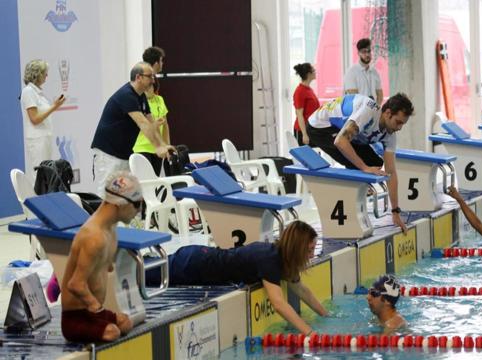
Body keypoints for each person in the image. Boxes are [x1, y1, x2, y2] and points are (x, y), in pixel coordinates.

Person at [146, 220, 328, 335]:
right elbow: (279, 304)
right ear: (296, 248)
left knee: (145, 271)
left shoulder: (282, 258)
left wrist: (325, 315)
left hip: (200, 262)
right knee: (140, 275)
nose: (312, 255)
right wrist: (309, 333)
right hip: (193, 264)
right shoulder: (270, 259)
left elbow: (302, 290)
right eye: (309, 250)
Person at [307, 93, 414, 233]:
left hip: (343, 131)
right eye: (398, 122)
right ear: (388, 113)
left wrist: (395, 211)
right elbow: (340, 141)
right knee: (360, 164)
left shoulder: (390, 135)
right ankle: (347, 212)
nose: (399, 128)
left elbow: (391, 172)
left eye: (403, 124)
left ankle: (355, 204)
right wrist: (364, 168)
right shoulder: (368, 112)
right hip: (321, 128)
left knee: (375, 162)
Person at [60, 171, 143, 342]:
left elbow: (103, 269)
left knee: (126, 323)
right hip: (76, 316)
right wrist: (97, 308)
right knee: (112, 332)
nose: (139, 211)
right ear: (119, 205)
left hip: (93, 313)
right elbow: (75, 284)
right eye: (137, 204)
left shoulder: (110, 232)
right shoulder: (94, 237)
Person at [90, 62, 173, 197]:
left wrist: (163, 145)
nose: (153, 79)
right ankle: (101, 218)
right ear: (138, 77)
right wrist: (157, 148)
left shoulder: (141, 96)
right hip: (108, 152)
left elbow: (150, 123)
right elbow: (143, 124)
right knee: (107, 192)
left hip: (123, 152)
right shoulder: (127, 95)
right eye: (150, 76)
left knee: (123, 194)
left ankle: (122, 219)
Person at [20, 59, 67, 180]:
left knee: (46, 174)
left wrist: (54, 106)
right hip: (37, 141)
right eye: (44, 72)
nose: (47, 75)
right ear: (37, 74)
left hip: (44, 139)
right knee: (39, 175)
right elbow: (34, 118)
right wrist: (54, 106)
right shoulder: (28, 92)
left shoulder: (37, 93)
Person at [132, 81, 170, 175]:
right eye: (144, 87)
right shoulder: (138, 102)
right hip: (140, 148)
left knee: (155, 181)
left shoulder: (160, 100)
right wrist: (154, 125)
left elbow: (165, 125)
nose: (146, 89)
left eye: (149, 86)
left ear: (154, 87)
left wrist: (166, 145)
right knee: (145, 181)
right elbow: (140, 124)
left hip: (157, 149)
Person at [344, 38, 383, 105]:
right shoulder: (351, 72)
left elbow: (380, 94)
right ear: (358, 53)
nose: (367, 54)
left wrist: (376, 108)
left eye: (369, 51)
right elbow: (353, 97)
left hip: (372, 112)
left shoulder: (374, 72)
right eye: (364, 52)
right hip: (358, 112)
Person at [292, 63, 320, 146]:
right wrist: (304, 134)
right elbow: (299, 114)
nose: (315, 72)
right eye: (314, 71)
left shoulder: (309, 89)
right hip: (302, 131)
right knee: (304, 157)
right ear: (308, 74)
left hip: (311, 129)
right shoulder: (300, 91)